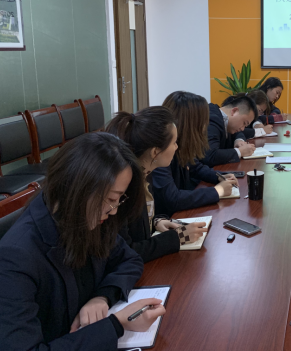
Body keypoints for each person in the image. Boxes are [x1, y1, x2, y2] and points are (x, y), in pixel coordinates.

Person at [0, 132, 166, 350]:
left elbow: (129, 259)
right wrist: (117, 325)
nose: (113, 211)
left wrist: (102, 297)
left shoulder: (88, 217)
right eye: (111, 199)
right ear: (77, 188)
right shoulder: (15, 257)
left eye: (119, 199)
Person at [106, 107, 207, 263]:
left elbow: (141, 223)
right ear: (155, 152)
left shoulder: (146, 172)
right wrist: (177, 238)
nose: (177, 147)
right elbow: (126, 251)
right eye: (174, 142)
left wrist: (156, 222)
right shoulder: (123, 188)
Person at [151, 91, 238, 219]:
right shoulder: (160, 151)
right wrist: (217, 191)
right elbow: (173, 199)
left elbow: (195, 166)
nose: (205, 128)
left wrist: (219, 176)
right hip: (165, 220)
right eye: (203, 122)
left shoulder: (180, 144)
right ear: (190, 124)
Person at [202, 94, 258, 167]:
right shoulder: (212, 119)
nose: (243, 128)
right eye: (244, 123)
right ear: (234, 111)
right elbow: (210, 155)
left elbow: (237, 133)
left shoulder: (224, 119)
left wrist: (238, 140)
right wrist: (239, 152)